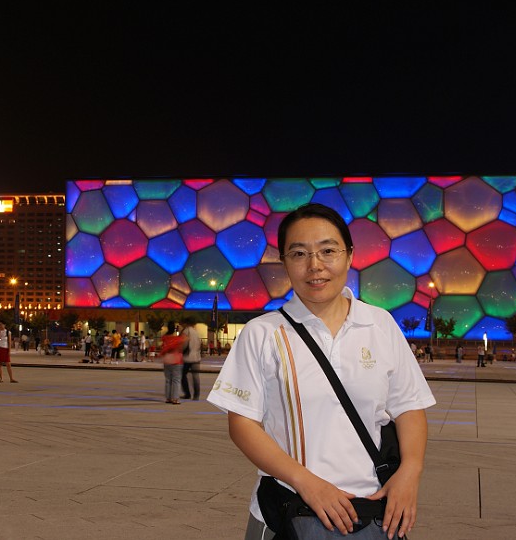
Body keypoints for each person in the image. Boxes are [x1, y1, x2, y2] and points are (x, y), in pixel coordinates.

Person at [207, 203, 436, 540]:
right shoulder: (262, 333)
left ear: (349, 255)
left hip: (372, 512)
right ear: (284, 262)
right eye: (299, 254)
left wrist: (410, 473)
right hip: (288, 510)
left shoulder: (380, 324)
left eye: (328, 251)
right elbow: (242, 424)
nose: (315, 266)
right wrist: (307, 483)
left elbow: (409, 408)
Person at [158, 320, 186, 404]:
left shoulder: (164, 338)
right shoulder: (177, 339)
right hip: (176, 361)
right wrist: (181, 329)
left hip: (166, 360)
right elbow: (184, 340)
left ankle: (168, 398)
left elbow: (162, 346)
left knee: (168, 380)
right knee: (176, 380)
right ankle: (175, 398)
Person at [179, 316, 202, 400]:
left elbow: (184, 343)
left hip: (187, 357)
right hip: (196, 357)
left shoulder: (186, 331)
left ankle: (187, 393)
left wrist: (180, 351)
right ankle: (196, 395)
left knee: (182, 374)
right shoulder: (195, 332)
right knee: (195, 376)